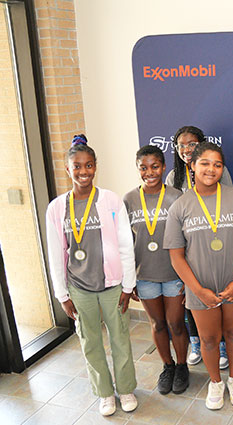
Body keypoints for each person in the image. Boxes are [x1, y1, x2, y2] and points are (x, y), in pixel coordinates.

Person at [45, 135, 138, 416]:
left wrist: (128, 285)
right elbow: (56, 253)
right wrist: (62, 294)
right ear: (67, 169)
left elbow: (125, 244)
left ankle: (126, 389)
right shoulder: (57, 208)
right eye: (77, 167)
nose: (83, 172)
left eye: (88, 166)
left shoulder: (110, 200)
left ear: (96, 166)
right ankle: (105, 393)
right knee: (90, 341)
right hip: (79, 288)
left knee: (120, 339)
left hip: (112, 285)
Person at [164, 142, 233, 410]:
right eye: (205, 163)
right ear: (192, 165)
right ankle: (215, 382)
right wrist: (197, 290)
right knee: (208, 339)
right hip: (199, 287)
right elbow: (176, 255)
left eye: (217, 164)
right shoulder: (180, 206)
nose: (211, 169)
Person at [123, 145, 189, 395]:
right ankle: (168, 366)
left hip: (173, 274)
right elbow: (125, 242)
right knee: (158, 325)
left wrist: (187, 276)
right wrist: (129, 281)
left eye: (155, 166)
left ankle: (182, 366)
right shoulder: (128, 199)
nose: (149, 172)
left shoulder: (177, 196)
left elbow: (188, 237)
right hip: (146, 276)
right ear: (138, 168)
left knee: (176, 324)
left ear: (163, 167)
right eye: (143, 167)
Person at [165, 125, 232, 369]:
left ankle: (221, 345)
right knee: (192, 296)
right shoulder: (174, 177)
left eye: (192, 144)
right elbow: (172, 214)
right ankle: (196, 342)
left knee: (217, 297)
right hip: (189, 246)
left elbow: (229, 200)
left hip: (215, 242)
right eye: (181, 145)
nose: (186, 150)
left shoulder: (217, 171)